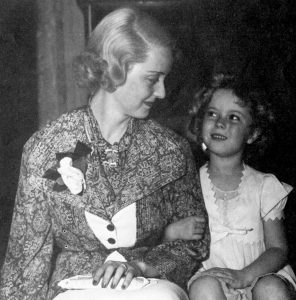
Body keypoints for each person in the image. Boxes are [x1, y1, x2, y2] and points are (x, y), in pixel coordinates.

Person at [0, 6, 210, 300]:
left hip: (149, 287)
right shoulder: (45, 146)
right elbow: (26, 262)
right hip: (73, 289)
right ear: (114, 70)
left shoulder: (170, 150)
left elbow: (193, 245)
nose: (162, 92)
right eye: (152, 79)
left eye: (164, 79)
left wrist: (141, 266)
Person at [164, 74, 296, 299]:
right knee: (204, 288)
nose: (220, 123)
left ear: (252, 133)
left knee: (271, 289)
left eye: (234, 117)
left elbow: (278, 249)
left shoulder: (264, 186)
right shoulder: (186, 184)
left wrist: (245, 276)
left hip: (258, 275)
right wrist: (172, 233)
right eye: (212, 114)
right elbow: (166, 244)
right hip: (210, 277)